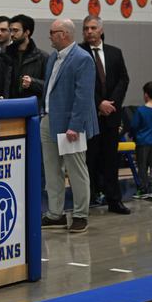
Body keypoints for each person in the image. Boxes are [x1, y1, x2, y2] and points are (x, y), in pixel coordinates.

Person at [40, 19, 98, 233]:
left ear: (63, 34)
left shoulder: (83, 59)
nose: (49, 36)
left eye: (52, 32)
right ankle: (55, 214)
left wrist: (75, 125)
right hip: (49, 119)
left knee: (76, 170)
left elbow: (84, 96)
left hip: (70, 124)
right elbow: (50, 89)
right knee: (52, 170)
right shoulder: (53, 57)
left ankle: (81, 214)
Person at [80, 15, 131, 214]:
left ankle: (114, 200)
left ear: (101, 30)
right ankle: (88, 199)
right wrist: (98, 103)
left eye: (93, 28)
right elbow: (80, 84)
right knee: (89, 160)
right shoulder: (78, 53)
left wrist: (111, 104)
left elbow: (123, 80)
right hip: (89, 116)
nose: (89, 32)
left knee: (111, 160)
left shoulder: (114, 53)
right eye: (86, 28)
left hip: (111, 115)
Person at [0, 14, 47, 107]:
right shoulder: (4, 56)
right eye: (11, 30)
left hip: (31, 108)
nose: (12, 34)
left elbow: (49, 86)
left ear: (27, 32)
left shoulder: (42, 57)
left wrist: (33, 83)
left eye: (16, 30)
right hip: (8, 107)